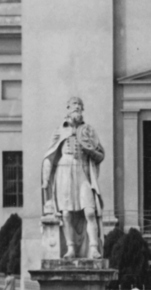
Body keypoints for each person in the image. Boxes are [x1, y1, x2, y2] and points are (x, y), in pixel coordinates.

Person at [41, 95, 106, 260]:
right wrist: (46, 180)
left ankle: (93, 248)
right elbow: (49, 156)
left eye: (79, 105)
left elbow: (100, 155)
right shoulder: (60, 130)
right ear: (68, 108)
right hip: (64, 171)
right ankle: (70, 248)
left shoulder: (88, 131)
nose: (77, 107)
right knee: (66, 214)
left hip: (82, 171)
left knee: (90, 211)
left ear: (82, 109)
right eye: (74, 104)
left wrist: (89, 150)